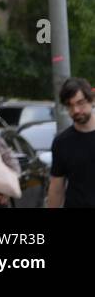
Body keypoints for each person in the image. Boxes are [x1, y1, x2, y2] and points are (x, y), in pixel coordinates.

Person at [47, 76, 95, 208]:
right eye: (70, 105)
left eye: (80, 103)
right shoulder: (62, 142)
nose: (76, 111)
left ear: (92, 100)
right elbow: (56, 189)